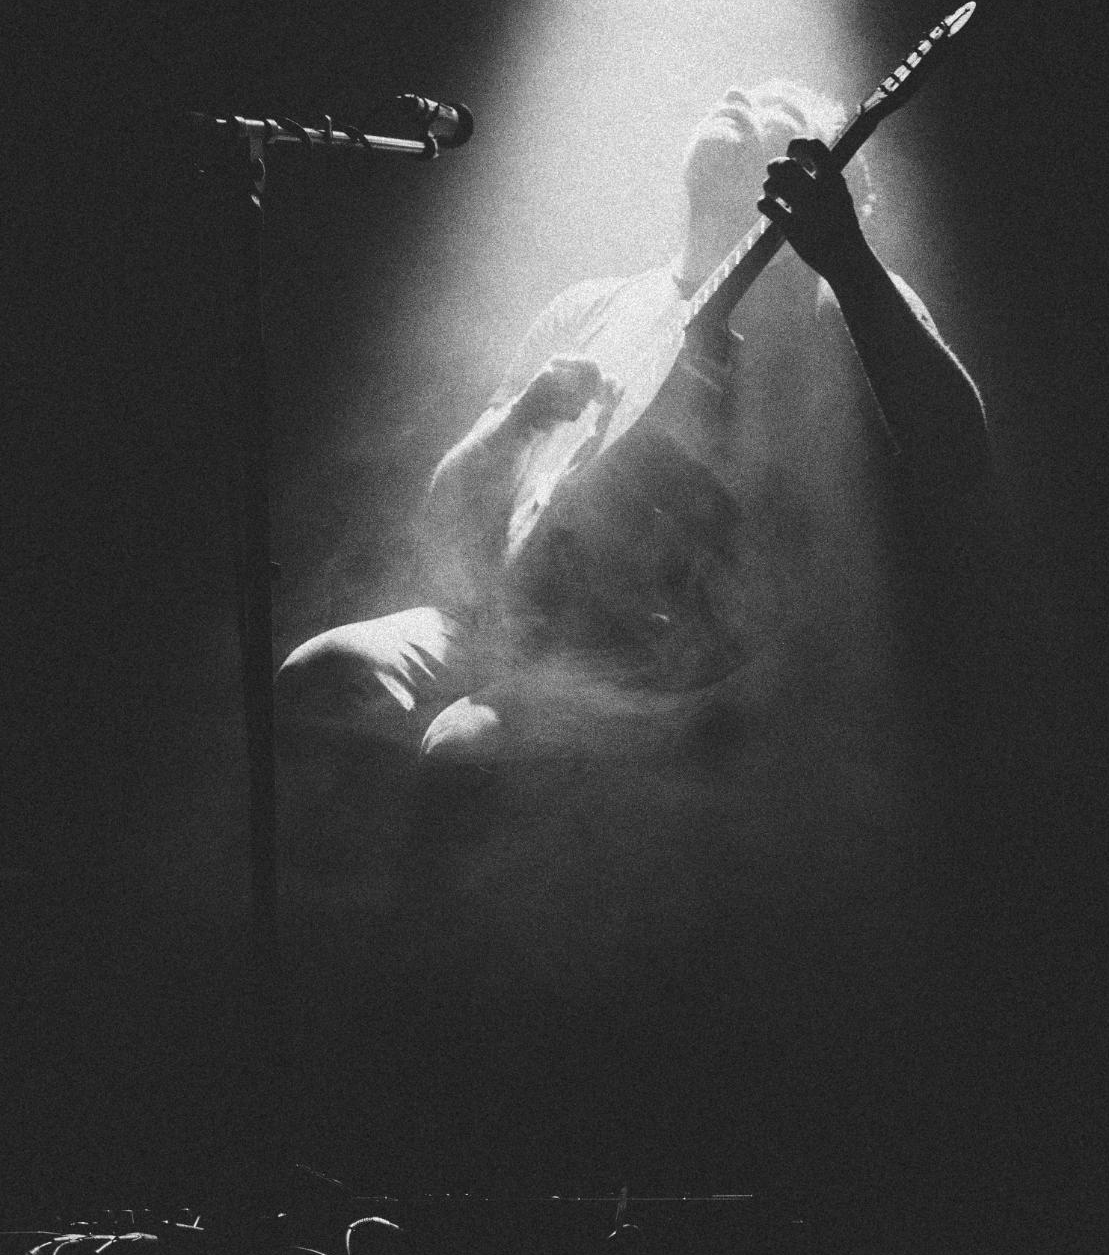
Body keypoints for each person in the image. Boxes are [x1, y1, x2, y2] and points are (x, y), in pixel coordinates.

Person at [275, 76, 987, 838]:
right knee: (324, 673)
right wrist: (519, 420)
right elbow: (445, 519)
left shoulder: (834, 299)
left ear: (817, 169)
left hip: (663, 669)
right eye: (739, 92)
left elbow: (956, 449)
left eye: (778, 113)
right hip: (496, 623)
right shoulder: (590, 306)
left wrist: (848, 260)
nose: (739, 95)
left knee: (462, 746)